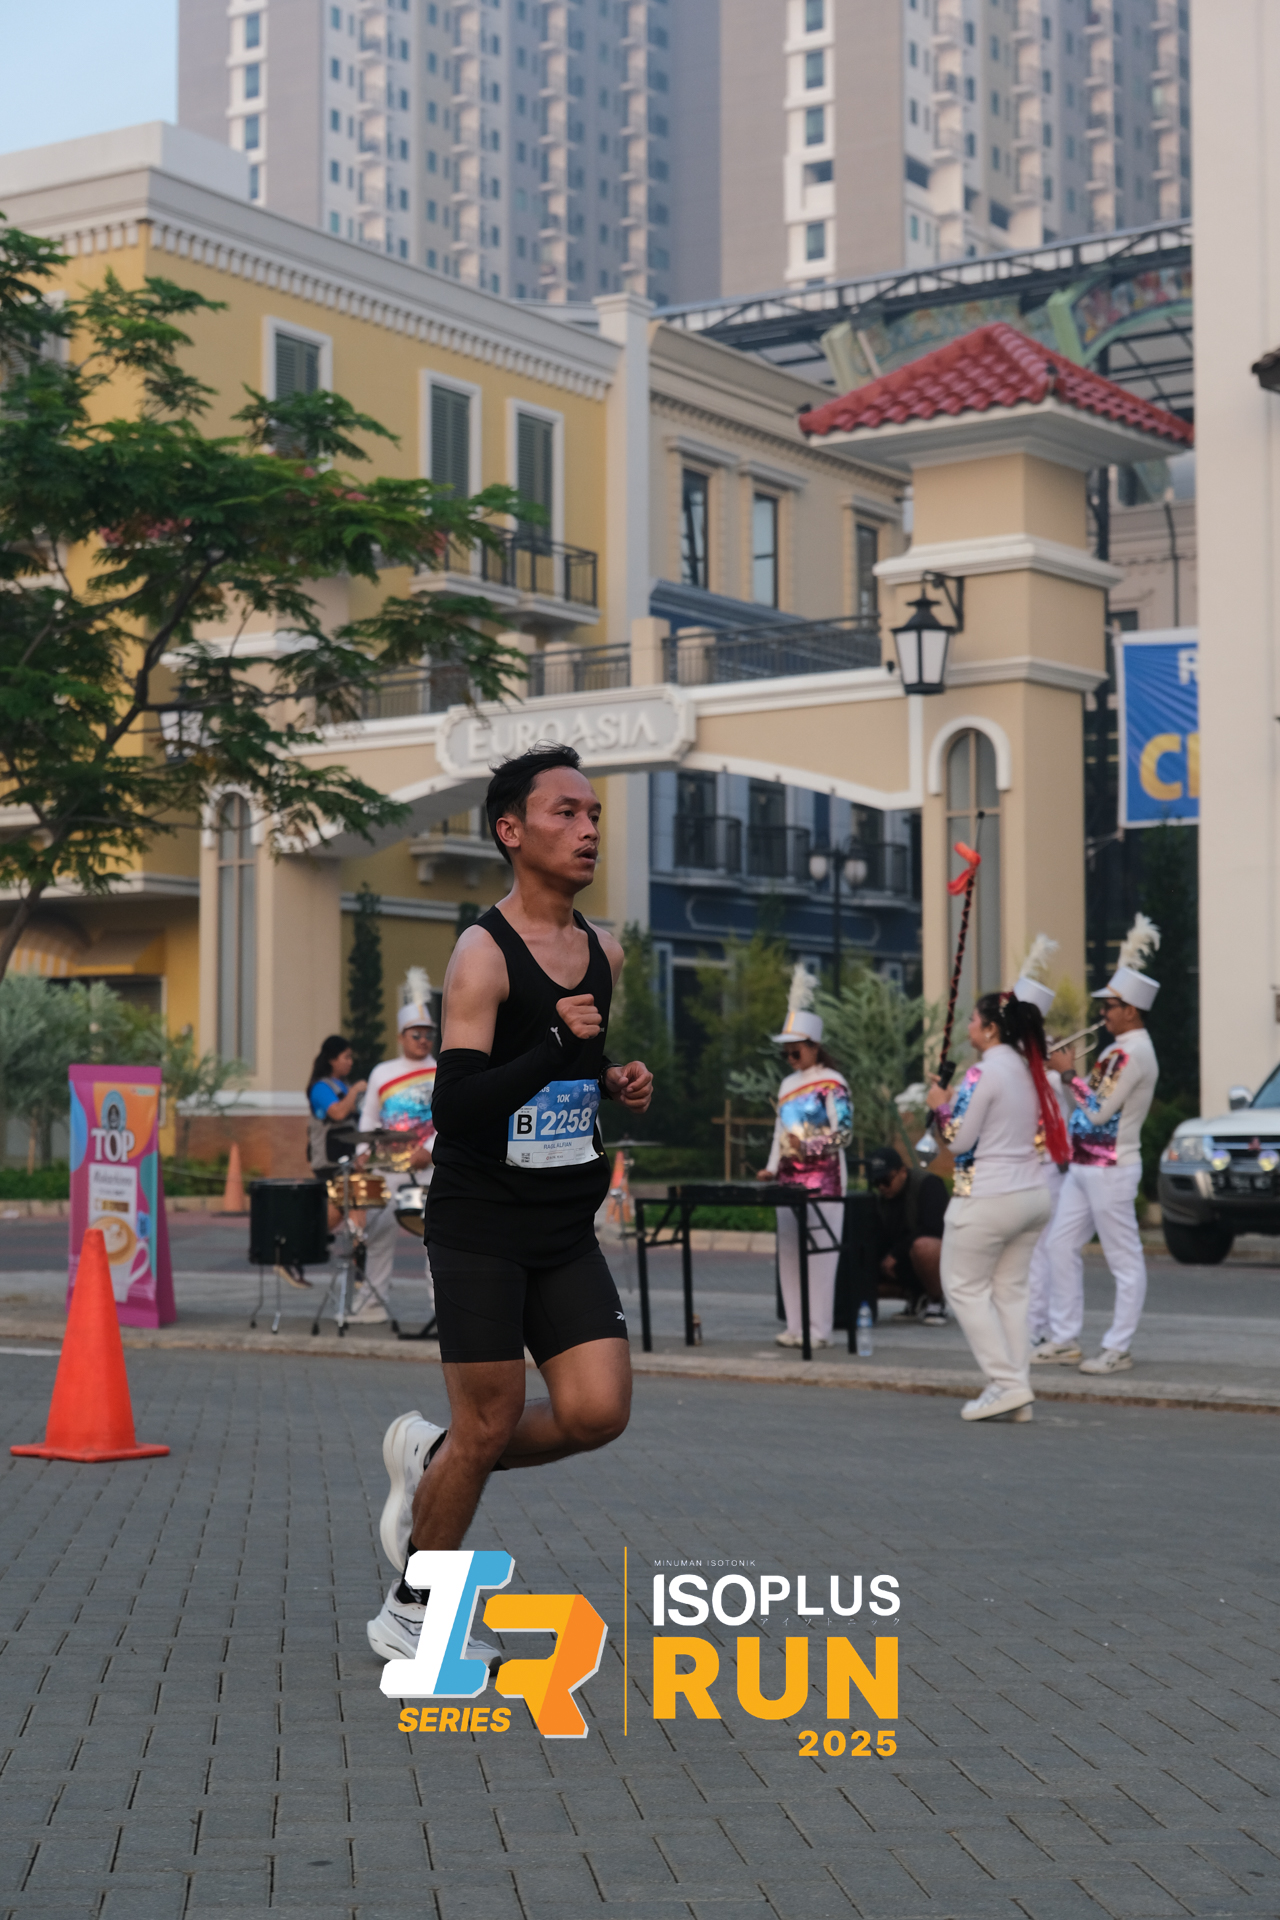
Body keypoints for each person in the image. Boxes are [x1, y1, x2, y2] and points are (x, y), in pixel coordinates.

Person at [366, 742, 653, 1664]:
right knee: (491, 1422)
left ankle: (432, 1458)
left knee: (597, 1412)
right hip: (482, 1224)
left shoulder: (603, 951)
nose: (588, 828)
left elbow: (562, 1071)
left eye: (594, 813)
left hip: (564, 1224)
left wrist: (610, 1077)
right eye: (566, 812)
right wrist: (555, 1052)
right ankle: (413, 1611)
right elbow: (457, 1105)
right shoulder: (481, 955)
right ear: (511, 830)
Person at [926, 984, 1069, 1422]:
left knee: (962, 1287)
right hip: (1031, 1195)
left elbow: (958, 1140)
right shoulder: (1028, 1070)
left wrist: (940, 1106)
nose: (968, 1026)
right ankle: (1017, 1390)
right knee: (1010, 1292)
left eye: (974, 1019)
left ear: (990, 1029)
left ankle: (1006, 1383)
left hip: (989, 1195)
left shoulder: (982, 1073)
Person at [1033, 916, 1161, 1374]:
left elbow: (1100, 1110)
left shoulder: (1132, 1051)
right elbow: (1086, 1102)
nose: (1103, 1013)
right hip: (1085, 1166)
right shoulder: (1114, 1048)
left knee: (1123, 1260)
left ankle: (1117, 1346)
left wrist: (1068, 1073)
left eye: (1110, 1006)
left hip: (1112, 1167)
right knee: (1058, 1246)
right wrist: (1063, 1078)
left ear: (1132, 1010)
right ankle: (1064, 1338)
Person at [756, 965, 853, 1349]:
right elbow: (780, 1132)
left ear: (814, 1046)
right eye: (786, 1051)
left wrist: (807, 1147)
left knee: (821, 1257)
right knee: (789, 1254)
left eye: (795, 1050)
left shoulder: (834, 1083)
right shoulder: (786, 1084)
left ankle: (819, 1330)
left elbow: (843, 1133)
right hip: (788, 1181)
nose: (790, 1056)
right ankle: (795, 1327)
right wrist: (770, 1167)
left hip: (825, 1180)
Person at [353, 973, 439, 1328]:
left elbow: (452, 1119)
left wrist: (430, 1150)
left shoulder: (443, 1070)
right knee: (378, 1234)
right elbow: (369, 1117)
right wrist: (363, 1151)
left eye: (428, 1034)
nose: (423, 1040)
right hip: (387, 1168)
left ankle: (443, 1310)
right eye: (416, 1034)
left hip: (430, 1169)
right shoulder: (382, 1072)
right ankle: (370, 1304)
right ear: (401, 1037)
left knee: (435, 1242)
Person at [301, 1036, 367, 1288]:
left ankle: (358, 1264)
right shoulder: (321, 1087)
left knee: (349, 1206)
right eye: (346, 1057)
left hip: (347, 1160)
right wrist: (355, 1092)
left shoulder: (344, 1085)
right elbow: (337, 1112)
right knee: (346, 1206)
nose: (350, 1062)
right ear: (332, 1059)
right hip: (328, 1161)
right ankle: (358, 1263)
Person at [865, 1146, 948, 1325]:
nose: (881, 1187)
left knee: (924, 1246)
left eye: (886, 1180)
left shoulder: (928, 1184)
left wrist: (896, 1254)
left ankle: (936, 1300)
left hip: (936, 1258)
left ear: (902, 1172)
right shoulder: (880, 1200)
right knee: (860, 1274)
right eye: (876, 1182)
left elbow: (933, 1227)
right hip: (901, 1264)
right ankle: (916, 1296)